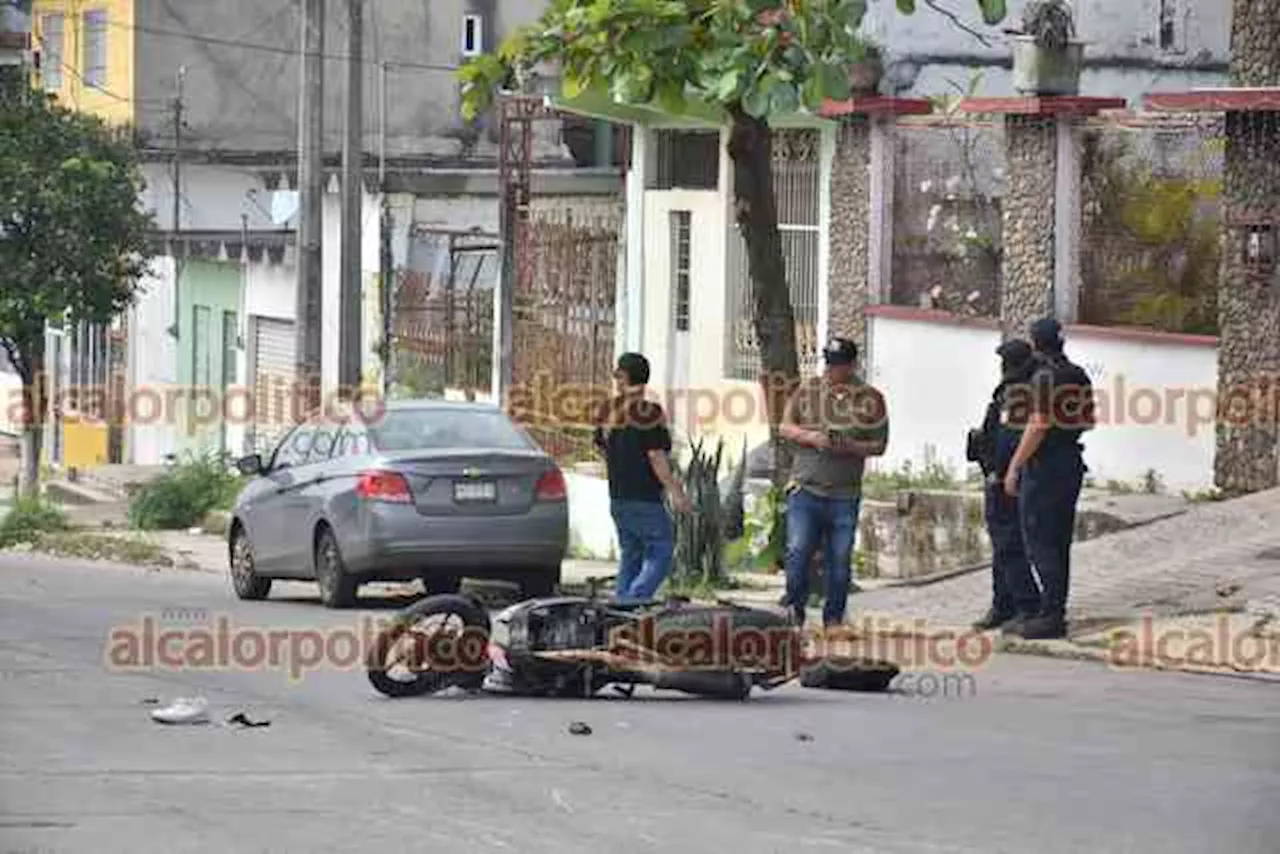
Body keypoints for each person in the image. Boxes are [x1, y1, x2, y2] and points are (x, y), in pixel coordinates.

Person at [778, 337, 889, 628]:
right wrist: (812, 437)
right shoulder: (807, 391)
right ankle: (794, 611)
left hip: (844, 493)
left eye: (838, 365)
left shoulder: (871, 399)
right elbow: (785, 427)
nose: (832, 370)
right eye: (829, 363)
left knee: (839, 560)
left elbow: (879, 445)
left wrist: (850, 446)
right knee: (798, 550)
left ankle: (834, 619)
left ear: (852, 365)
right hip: (806, 488)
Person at [1002, 317, 1095, 640]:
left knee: (1039, 540)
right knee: (1059, 540)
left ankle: (1051, 614)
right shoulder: (1078, 375)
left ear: (1036, 343)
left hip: (1045, 467)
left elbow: (1038, 424)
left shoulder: (1044, 377)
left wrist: (1015, 466)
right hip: (1071, 461)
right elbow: (1089, 420)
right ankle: (1054, 609)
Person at [593, 352, 693, 603]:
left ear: (624, 377)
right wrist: (676, 492)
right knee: (661, 552)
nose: (615, 378)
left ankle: (620, 607)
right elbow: (656, 457)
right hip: (645, 497)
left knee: (631, 555)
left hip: (618, 496)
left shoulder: (607, 410)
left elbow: (601, 447)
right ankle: (634, 600)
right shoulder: (649, 412)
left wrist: (619, 464)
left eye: (618, 373)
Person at [966, 338, 1042, 631]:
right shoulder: (1014, 391)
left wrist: (999, 471)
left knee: (1009, 544)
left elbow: (1009, 439)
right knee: (1002, 546)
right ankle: (1003, 604)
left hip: (1006, 480)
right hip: (1001, 476)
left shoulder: (1020, 394)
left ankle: (1027, 604)